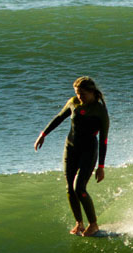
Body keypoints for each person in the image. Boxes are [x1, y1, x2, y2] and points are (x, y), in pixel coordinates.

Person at [33, 77, 110, 237]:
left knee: (79, 188)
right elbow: (59, 118)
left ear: (91, 92)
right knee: (69, 187)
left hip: (89, 150)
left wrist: (101, 167)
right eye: (77, 93)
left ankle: (93, 224)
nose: (79, 96)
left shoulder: (100, 111)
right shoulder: (73, 102)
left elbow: (103, 140)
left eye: (82, 94)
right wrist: (43, 134)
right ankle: (79, 223)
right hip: (71, 148)